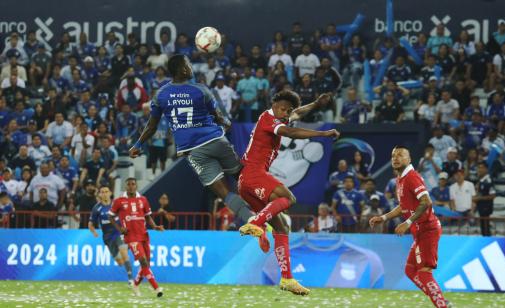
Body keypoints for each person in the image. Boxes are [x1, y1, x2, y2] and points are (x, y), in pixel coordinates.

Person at [129, 55, 269, 252]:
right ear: (182, 70)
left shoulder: (161, 94)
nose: (190, 66)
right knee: (242, 178)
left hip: (194, 151)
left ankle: (253, 220)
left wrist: (138, 144)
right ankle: (267, 209)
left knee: (223, 193)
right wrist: (225, 122)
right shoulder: (201, 89)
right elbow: (218, 115)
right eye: (187, 64)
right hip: (216, 141)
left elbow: (151, 126)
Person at [237, 89, 339, 295]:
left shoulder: (278, 116)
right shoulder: (268, 119)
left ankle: (287, 278)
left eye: (288, 110)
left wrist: (317, 104)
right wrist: (323, 134)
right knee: (287, 197)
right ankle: (256, 223)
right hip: (253, 174)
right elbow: (292, 132)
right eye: (283, 109)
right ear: (274, 105)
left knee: (282, 226)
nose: (286, 113)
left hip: (246, 182)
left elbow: (298, 113)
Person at [369, 146, 448, 308]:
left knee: (424, 273)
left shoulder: (412, 177)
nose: (395, 158)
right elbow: (403, 206)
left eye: (400, 155)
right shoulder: (400, 179)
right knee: (411, 270)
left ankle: (442, 305)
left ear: (409, 159)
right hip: (419, 230)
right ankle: (439, 298)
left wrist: (407, 222)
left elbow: (426, 202)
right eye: (393, 156)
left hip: (427, 229)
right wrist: (383, 218)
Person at [108, 178, 164, 297]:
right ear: (126, 186)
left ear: (136, 186)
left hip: (144, 235)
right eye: (128, 184)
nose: (131, 186)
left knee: (146, 265)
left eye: (133, 184)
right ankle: (156, 288)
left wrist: (155, 227)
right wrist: (120, 229)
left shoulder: (143, 200)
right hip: (131, 236)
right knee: (143, 261)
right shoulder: (119, 201)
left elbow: (148, 216)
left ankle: (135, 284)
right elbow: (110, 216)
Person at [88, 186, 134, 286]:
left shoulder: (117, 204)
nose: (104, 194)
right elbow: (90, 224)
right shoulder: (97, 208)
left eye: (106, 192)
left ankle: (130, 278)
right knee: (120, 262)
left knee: (124, 252)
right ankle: (126, 249)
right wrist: (94, 232)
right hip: (108, 238)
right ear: (100, 194)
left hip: (118, 233)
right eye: (102, 192)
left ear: (110, 193)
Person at [472, 162, 496, 236]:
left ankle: (487, 242)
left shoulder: (488, 180)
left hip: (486, 206)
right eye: (479, 168)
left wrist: (479, 198)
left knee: (485, 227)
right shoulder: (481, 180)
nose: (479, 170)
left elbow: (493, 195)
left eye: (482, 168)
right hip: (481, 206)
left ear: (486, 169)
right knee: (483, 227)